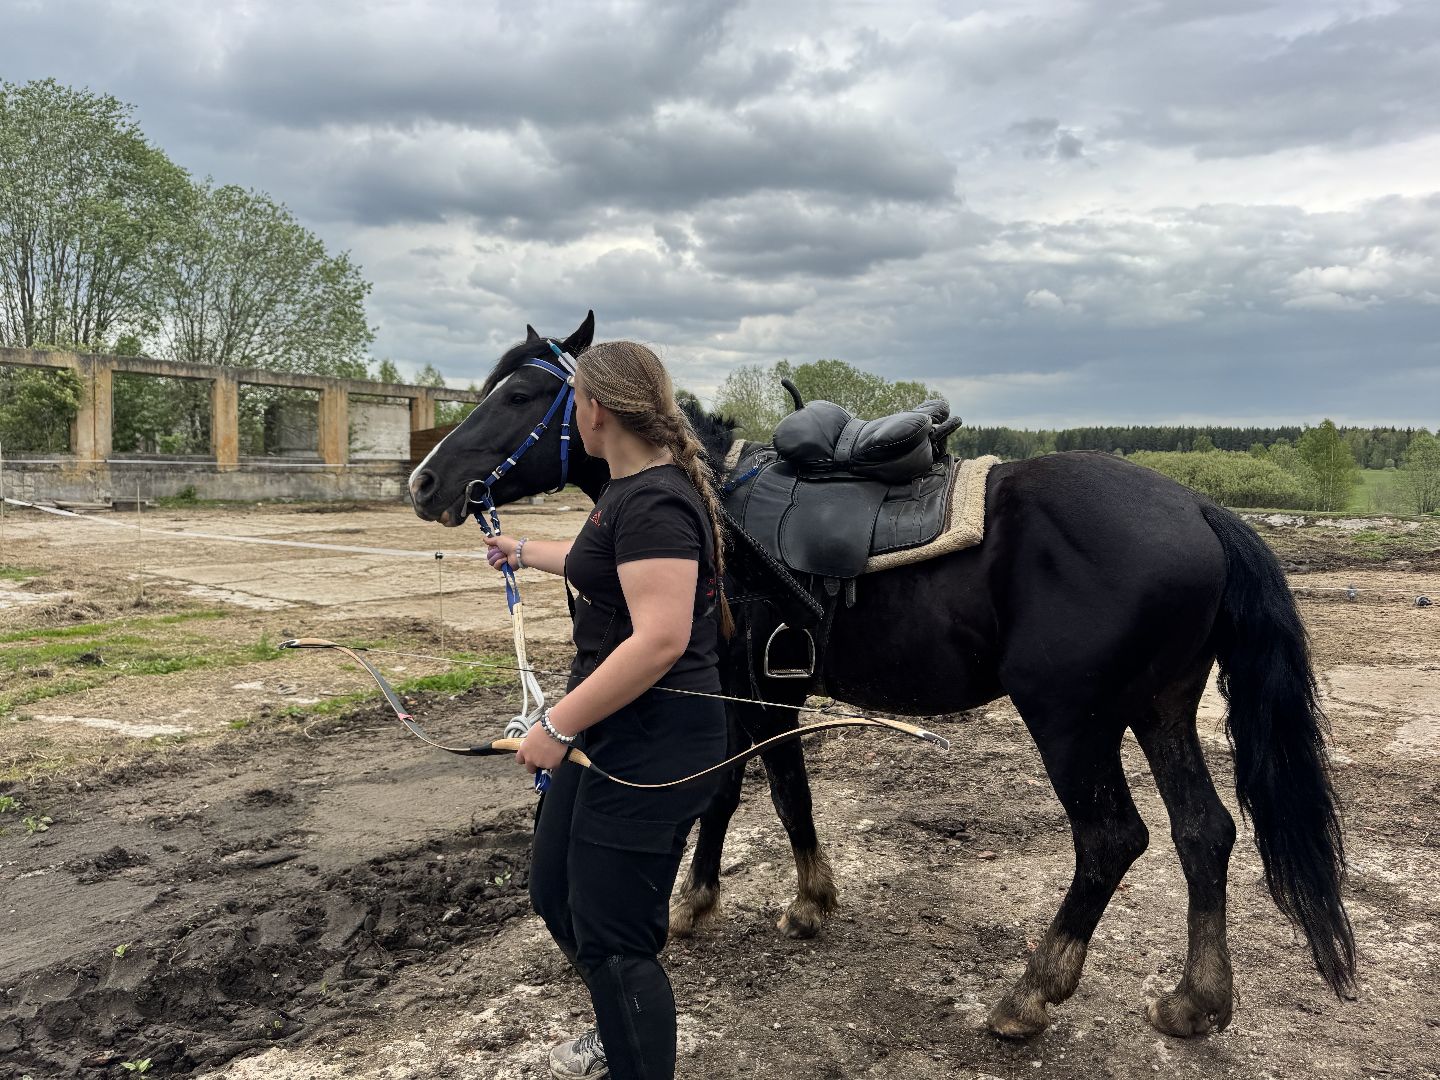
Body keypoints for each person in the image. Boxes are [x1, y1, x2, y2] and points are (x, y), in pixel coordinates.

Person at [483, 340, 734, 1080]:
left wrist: (555, 725)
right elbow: (604, 558)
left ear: (593, 411)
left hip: (656, 746)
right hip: (611, 730)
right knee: (554, 891)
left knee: (615, 940)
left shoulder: (654, 499)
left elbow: (660, 640)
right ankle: (616, 1030)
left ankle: (632, 1052)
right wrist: (524, 549)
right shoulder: (629, 492)